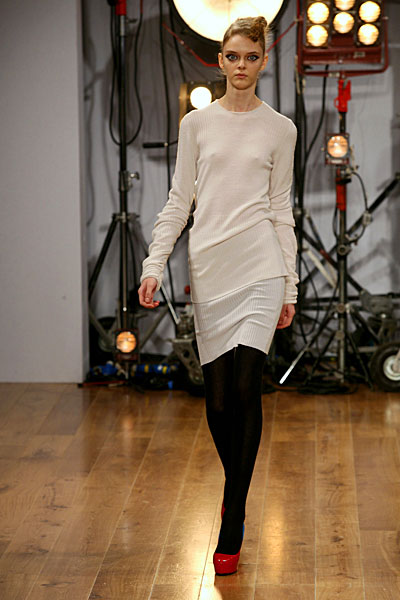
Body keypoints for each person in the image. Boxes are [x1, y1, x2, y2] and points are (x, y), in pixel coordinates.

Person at [138, 15, 298, 576]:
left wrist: (290, 285)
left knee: (248, 388)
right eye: (232, 56)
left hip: (261, 266)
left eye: (251, 56)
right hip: (210, 267)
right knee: (219, 401)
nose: (241, 66)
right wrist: (155, 263)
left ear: (263, 61)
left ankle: (234, 514)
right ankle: (237, 488)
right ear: (220, 59)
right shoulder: (197, 124)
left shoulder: (281, 129)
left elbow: (281, 209)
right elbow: (179, 199)